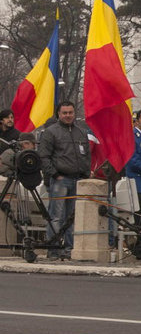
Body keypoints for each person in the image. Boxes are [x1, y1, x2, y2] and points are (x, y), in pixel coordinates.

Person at [38, 101, 90, 260]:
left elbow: (86, 155)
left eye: (70, 112)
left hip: (77, 180)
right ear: (58, 114)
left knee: (72, 218)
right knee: (56, 216)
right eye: (64, 113)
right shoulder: (50, 132)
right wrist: (55, 175)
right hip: (60, 180)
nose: (68, 115)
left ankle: (69, 249)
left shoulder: (81, 132)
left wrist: (86, 173)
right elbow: (43, 156)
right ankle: (53, 249)